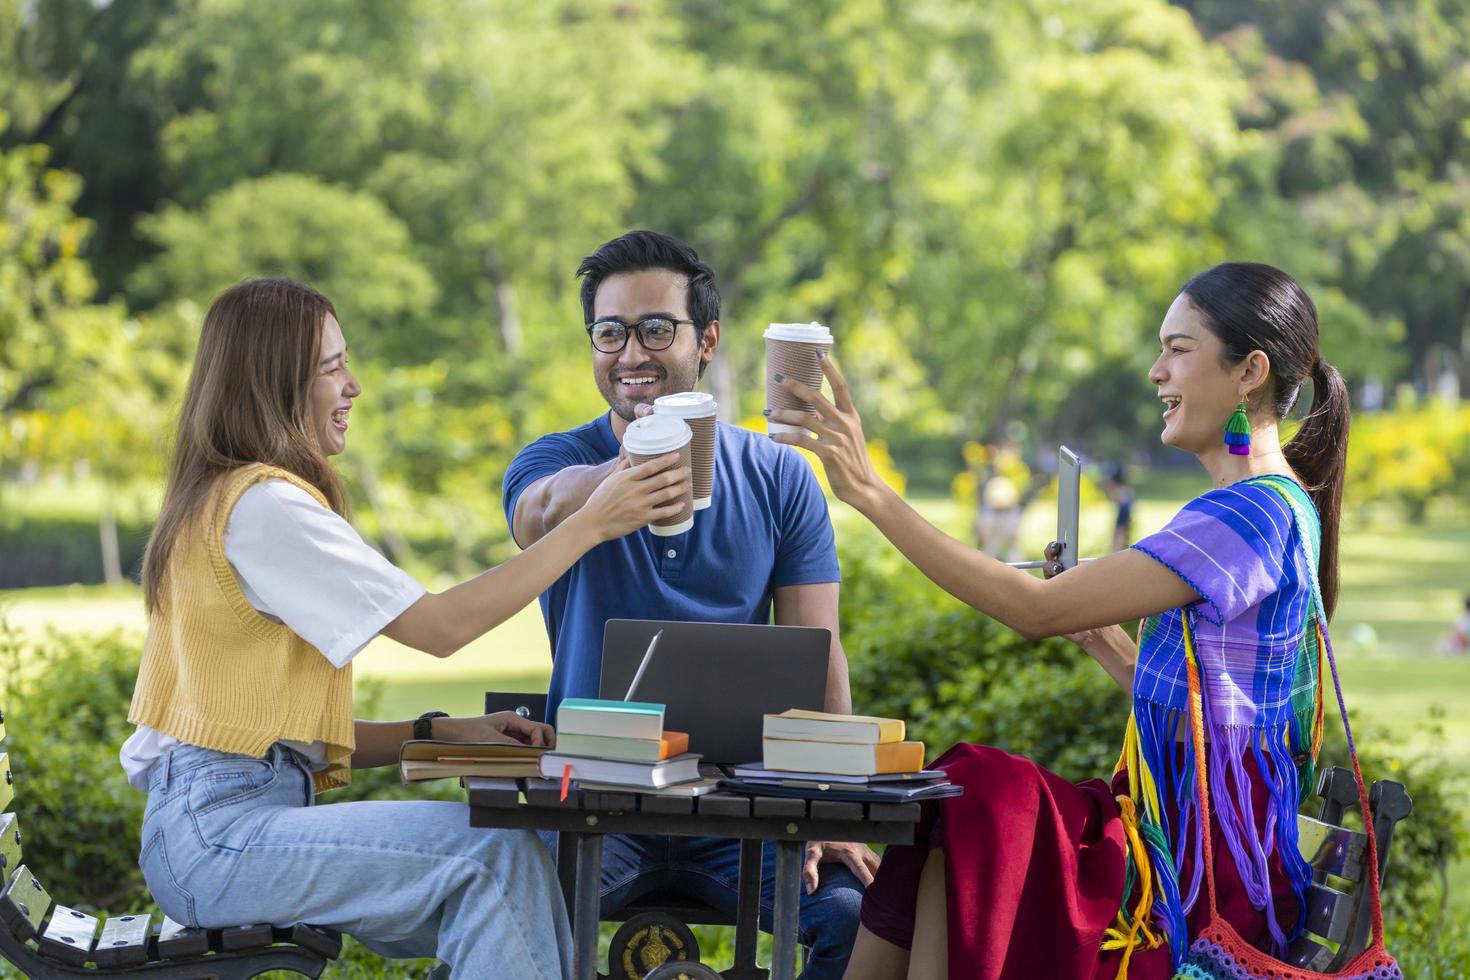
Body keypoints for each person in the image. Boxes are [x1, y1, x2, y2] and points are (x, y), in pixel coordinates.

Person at [768, 262, 1349, 979]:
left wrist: (867, 491)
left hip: (1195, 886)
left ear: (1249, 372)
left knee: (974, 792)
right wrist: (1106, 645)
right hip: (1182, 850)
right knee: (968, 804)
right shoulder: (1270, 508)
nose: (1155, 370)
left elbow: (1032, 611)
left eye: (1179, 348)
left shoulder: (1252, 512)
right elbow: (1224, 715)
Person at [121, 278, 686, 978]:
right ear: (275, 383)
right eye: (331, 367)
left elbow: (275, 739)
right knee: (496, 854)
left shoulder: (228, 500)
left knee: (509, 879)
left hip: (212, 829)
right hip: (219, 839)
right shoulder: (265, 508)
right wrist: (593, 521)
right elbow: (442, 626)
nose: (351, 385)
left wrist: (439, 731)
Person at [504, 230, 872, 980]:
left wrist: (829, 810)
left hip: (743, 809)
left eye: (655, 329)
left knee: (852, 916)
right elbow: (535, 514)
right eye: (610, 332)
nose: (630, 353)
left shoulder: (779, 479)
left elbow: (818, 652)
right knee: (507, 908)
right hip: (592, 804)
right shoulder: (559, 462)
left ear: (706, 340)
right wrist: (624, 474)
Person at [1104, 463, 1136, 553]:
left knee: (1119, 534)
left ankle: (1116, 551)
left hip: (1123, 514)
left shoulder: (1121, 491)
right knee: (1121, 534)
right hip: (1124, 514)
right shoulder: (1127, 490)